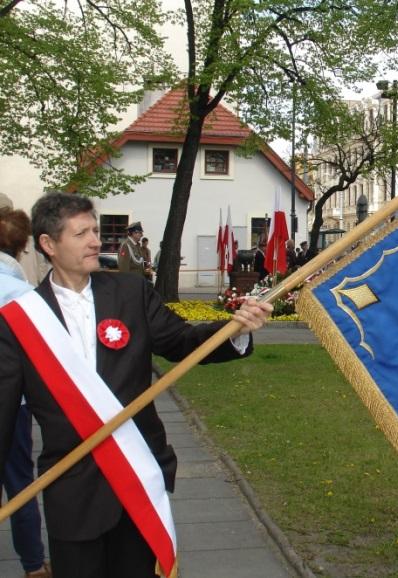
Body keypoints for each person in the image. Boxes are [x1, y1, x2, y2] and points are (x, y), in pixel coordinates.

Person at [0, 193, 273, 578]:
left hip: (138, 478)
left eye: (95, 230)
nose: (96, 240)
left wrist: (235, 329)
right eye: (81, 234)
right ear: (49, 244)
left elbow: (181, 342)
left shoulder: (131, 293)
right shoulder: (18, 320)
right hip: (73, 491)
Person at [0, 206, 51, 577]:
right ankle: (33, 565)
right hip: (13, 405)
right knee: (19, 482)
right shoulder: (22, 293)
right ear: (22, 248)